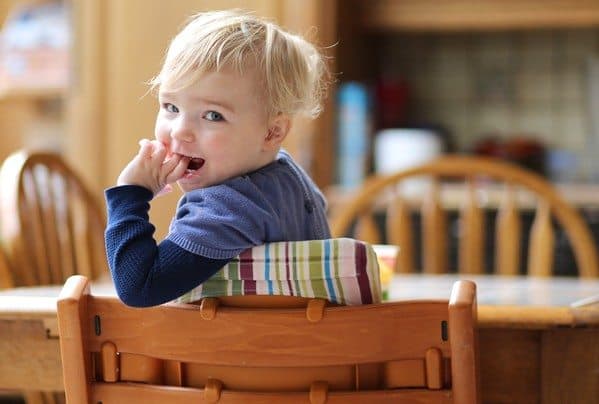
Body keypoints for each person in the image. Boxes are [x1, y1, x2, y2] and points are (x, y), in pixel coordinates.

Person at [104, 9, 331, 307]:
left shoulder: (228, 207)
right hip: (296, 347)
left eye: (213, 115)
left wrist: (130, 195)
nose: (181, 130)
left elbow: (140, 286)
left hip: (235, 351)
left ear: (272, 133)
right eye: (171, 106)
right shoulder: (291, 179)